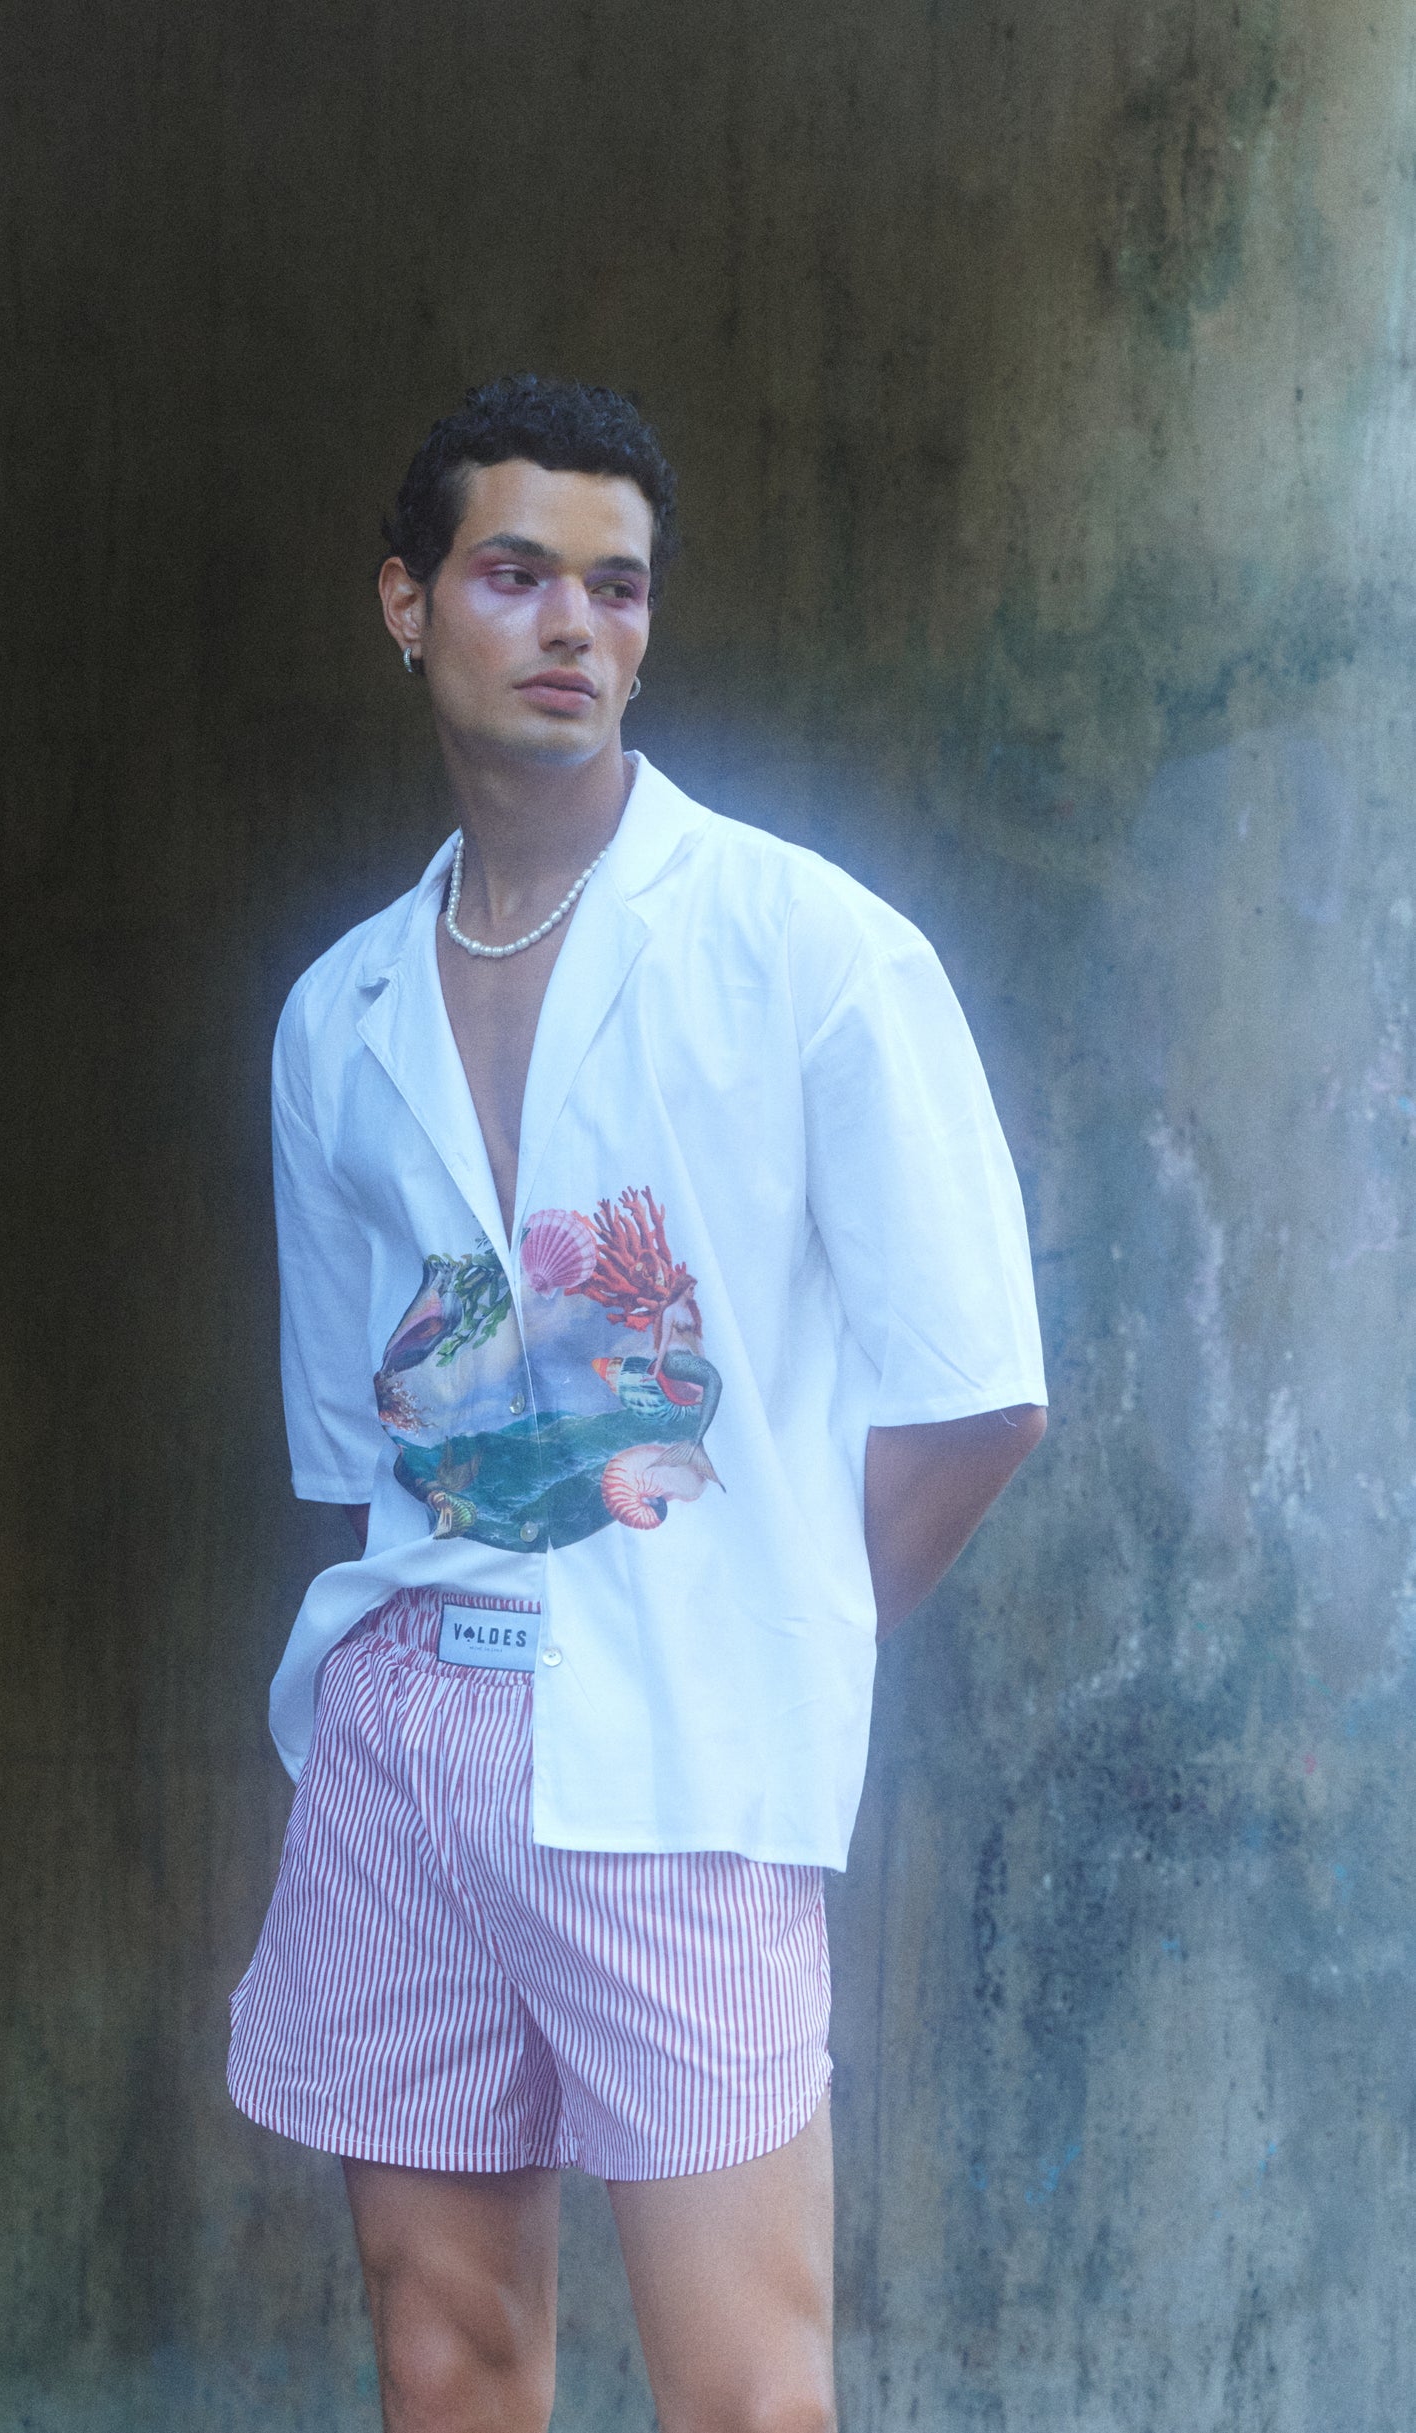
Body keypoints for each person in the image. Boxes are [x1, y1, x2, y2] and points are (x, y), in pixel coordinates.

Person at [228, 374, 1047, 2433]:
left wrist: (773, 1625)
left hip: (682, 1739)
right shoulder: (334, 1014)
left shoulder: (807, 948)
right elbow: (363, 1446)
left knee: (746, 2391)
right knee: (442, 2343)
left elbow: (977, 1399)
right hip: (407, 1730)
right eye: (516, 573)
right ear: (405, 601)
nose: (573, 624)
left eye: (617, 585)